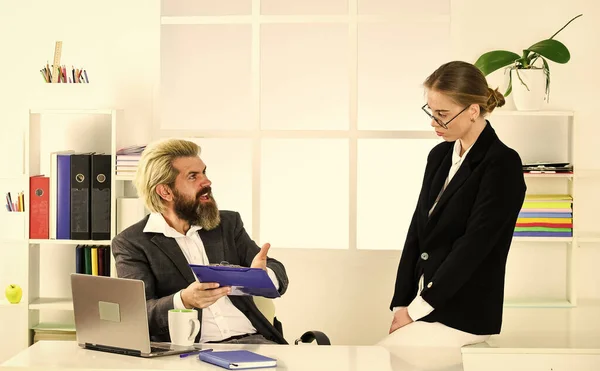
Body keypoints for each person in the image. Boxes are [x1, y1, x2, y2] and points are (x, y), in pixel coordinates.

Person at [379, 61, 527, 348]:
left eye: (442, 115)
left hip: (465, 313)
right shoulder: (439, 156)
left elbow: (474, 248)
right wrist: (401, 304)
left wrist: (417, 309)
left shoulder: (502, 163)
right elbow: (417, 232)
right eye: (431, 113)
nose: (434, 123)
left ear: (473, 110)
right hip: (422, 308)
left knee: (383, 359)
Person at [111, 138, 289, 345]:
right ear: (165, 191)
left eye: (204, 172)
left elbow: (277, 270)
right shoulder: (132, 243)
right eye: (193, 176)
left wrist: (262, 276)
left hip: (254, 342)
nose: (207, 182)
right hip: (189, 350)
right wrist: (184, 300)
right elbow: (138, 314)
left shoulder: (227, 224)